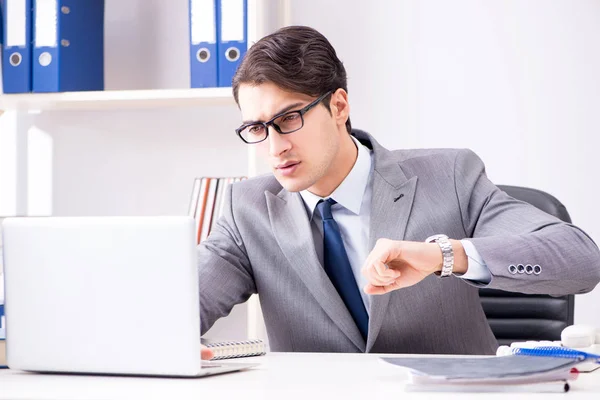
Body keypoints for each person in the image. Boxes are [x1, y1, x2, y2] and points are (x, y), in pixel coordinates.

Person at [198, 25, 600, 360]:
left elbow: (580, 259)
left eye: (288, 119)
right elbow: (180, 306)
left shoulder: (451, 177)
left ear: (338, 107)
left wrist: (446, 255)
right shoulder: (245, 209)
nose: (274, 147)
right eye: (256, 128)